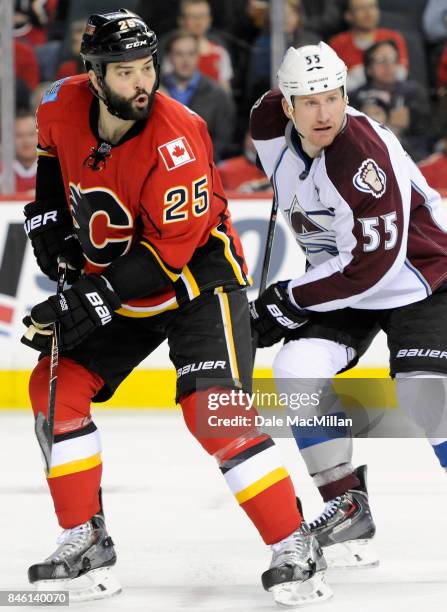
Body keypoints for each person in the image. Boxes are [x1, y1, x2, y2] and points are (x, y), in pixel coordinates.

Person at [20, 10, 332, 606]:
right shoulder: (58, 102)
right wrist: (48, 226)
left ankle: (294, 544)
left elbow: (169, 254)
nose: (142, 82)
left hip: (197, 281)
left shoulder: (177, 132)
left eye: (147, 67)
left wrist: (93, 298)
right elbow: (53, 175)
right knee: (55, 388)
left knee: (213, 412)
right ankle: (85, 538)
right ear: (93, 74)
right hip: (115, 274)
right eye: (125, 71)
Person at [250, 41, 447, 568]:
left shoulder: (363, 161)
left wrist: (288, 299)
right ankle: (346, 503)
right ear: (287, 105)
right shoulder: (269, 124)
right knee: (294, 372)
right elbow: (349, 273)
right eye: (309, 101)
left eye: (333, 98)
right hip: (345, 283)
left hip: (418, 278)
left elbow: (371, 269)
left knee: (426, 395)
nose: (324, 113)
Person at [160, 30, 235, 161]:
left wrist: (200, 162)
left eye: (191, 53)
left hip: (204, 166)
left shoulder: (217, 94)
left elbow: (223, 140)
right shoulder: (155, 92)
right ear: (170, 57)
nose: (185, 60)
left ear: (198, 56)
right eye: (179, 54)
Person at [350, 39, 431, 160]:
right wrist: (364, 121)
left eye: (392, 59)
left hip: (414, 156)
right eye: (380, 60)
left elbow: (429, 128)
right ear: (368, 68)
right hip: (370, 157)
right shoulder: (354, 96)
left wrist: (412, 117)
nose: (388, 65)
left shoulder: (413, 91)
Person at [328, 0, 409, 90]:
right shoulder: (338, 43)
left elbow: (401, 73)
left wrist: (357, 74)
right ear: (349, 16)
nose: (368, 13)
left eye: (372, 7)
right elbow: (335, 82)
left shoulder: (393, 37)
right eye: (361, 9)